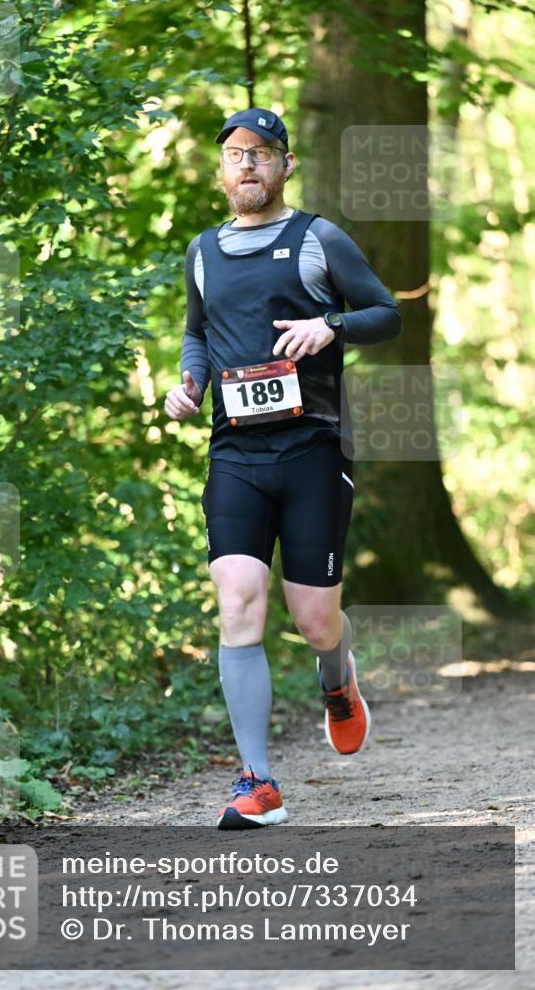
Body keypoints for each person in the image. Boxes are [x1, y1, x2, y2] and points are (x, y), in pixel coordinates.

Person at [164, 107, 401, 830]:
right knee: (237, 598)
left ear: (285, 165)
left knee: (313, 618)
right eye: (236, 154)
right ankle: (257, 781)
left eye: (262, 153)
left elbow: (385, 314)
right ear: (221, 169)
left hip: (312, 449)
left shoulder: (316, 238)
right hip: (234, 450)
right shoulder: (202, 250)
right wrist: (188, 382)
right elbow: (196, 333)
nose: (247, 166)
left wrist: (328, 324)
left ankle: (337, 678)